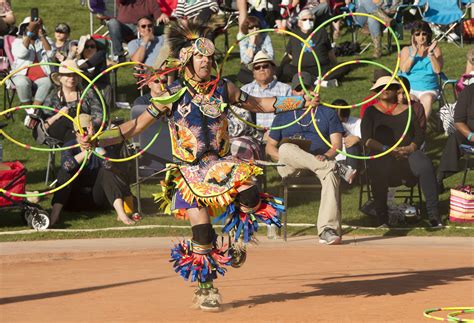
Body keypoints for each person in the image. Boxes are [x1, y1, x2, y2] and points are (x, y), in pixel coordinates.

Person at [93, 18, 319, 311]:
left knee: (251, 195)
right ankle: (206, 289)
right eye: (199, 56)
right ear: (186, 61)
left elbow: (262, 105)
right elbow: (134, 126)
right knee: (202, 233)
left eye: (209, 57)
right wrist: (98, 139)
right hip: (189, 172)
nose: (205, 62)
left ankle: (237, 238)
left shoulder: (224, 88)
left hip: (222, 163)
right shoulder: (172, 95)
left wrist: (299, 102)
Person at [266, 71, 356, 245]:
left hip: (321, 163)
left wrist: (327, 156)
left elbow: (336, 145)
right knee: (285, 147)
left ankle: (327, 230)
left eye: (306, 88)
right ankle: (337, 167)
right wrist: (284, 157)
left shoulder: (328, 112)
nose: (302, 93)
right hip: (289, 166)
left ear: (313, 89)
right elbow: (270, 147)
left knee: (329, 174)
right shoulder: (283, 113)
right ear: (293, 92)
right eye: (298, 90)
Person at [361, 76, 441, 227]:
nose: (384, 91)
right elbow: (366, 139)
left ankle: (434, 215)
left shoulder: (408, 110)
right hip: (383, 154)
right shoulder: (371, 111)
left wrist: (411, 147)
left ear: (396, 90)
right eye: (380, 89)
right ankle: (382, 218)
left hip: (407, 153)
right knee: (378, 168)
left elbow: (419, 135)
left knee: (425, 165)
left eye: (388, 87)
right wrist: (386, 149)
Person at [49, 114, 136, 227]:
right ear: (75, 132)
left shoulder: (103, 145)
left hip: (98, 197)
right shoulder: (69, 146)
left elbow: (112, 167)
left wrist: (96, 147)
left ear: (94, 130)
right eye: (81, 130)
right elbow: (67, 166)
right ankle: (54, 215)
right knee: (65, 172)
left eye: (87, 129)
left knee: (107, 171)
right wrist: (86, 151)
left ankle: (122, 214)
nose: (85, 133)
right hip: (73, 199)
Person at [33, 60, 103, 145]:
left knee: (72, 129)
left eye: (75, 75)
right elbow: (44, 125)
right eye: (67, 75)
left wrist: (87, 124)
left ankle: (72, 154)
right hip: (60, 132)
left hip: (86, 130)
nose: (72, 78)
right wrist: (58, 115)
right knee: (68, 117)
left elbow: (99, 115)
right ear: (60, 78)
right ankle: (81, 143)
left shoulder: (87, 93)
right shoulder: (52, 97)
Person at [278, 9, 348, 85]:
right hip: (301, 70)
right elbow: (289, 55)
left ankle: (312, 80)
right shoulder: (295, 35)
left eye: (311, 19)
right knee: (287, 69)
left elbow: (330, 52)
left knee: (345, 66)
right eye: (304, 19)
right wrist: (281, 68)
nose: (308, 21)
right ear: (299, 22)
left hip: (321, 69)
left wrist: (335, 65)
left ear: (314, 21)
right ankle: (320, 82)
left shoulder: (321, 32)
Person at [11, 16, 53, 127]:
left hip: (42, 76)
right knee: (22, 83)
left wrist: (41, 36)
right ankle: (32, 114)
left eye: (35, 27)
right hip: (22, 74)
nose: (32, 29)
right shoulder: (17, 42)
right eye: (28, 27)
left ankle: (31, 115)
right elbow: (21, 53)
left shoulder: (46, 40)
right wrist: (29, 34)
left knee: (47, 82)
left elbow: (51, 55)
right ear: (24, 29)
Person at [241, 50, 291, 137]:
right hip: (251, 135)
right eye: (257, 67)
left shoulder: (286, 89)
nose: (261, 69)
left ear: (273, 69)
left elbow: (291, 117)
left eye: (265, 66)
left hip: (278, 135)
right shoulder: (245, 90)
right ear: (253, 73)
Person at [399, 21, 443, 120]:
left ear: (428, 35)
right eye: (417, 34)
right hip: (410, 88)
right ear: (413, 36)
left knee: (427, 99)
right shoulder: (406, 50)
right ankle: (410, 129)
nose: (421, 37)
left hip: (429, 88)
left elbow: (438, 70)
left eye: (424, 34)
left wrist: (430, 53)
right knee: (409, 99)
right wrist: (413, 54)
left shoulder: (435, 50)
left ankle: (420, 130)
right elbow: (404, 69)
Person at [437, 85, 474, 190]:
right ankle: (441, 176)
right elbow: (458, 121)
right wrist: (471, 136)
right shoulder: (469, 92)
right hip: (471, 136)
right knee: (455, 138)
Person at [70, 35, 112, 112]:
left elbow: (88, 64)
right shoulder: (77, 61)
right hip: (83, 91)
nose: (89, 49)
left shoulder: (100, 54)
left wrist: (75, 67)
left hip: (100, 88)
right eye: (86, 46)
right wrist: (72, 54)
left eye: (92, 46)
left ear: (97, 48)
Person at [237, 16, 274, 85]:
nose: (255, 29)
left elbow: (271, 57)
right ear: (247, 30)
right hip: (250, 69)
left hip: (265, 67)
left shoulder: (265, 37)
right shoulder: (243, 39)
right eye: (251, 28)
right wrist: (252, 43)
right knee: (241, 75)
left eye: (257, 27)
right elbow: (245, 60)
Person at [332, 99, 361, 174]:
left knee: (351, 142)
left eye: (341, 120)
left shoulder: (357, 122)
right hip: (333, 157)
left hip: (349, 158)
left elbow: (364, 141)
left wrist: (357, 139)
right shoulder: (328, 123)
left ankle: (349, 173)